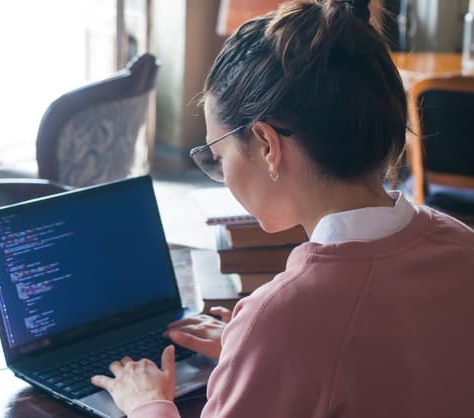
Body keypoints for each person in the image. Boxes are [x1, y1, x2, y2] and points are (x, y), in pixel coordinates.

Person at [91, 0, 474, 417]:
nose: (220, 175)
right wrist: (253, 354)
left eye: (216, 159)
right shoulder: (460, 245)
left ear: (267, 145)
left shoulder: (282, 319)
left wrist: (149, 403)